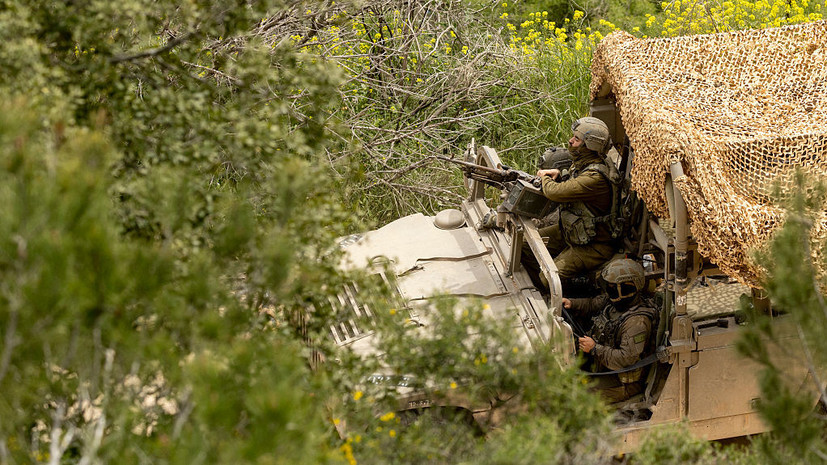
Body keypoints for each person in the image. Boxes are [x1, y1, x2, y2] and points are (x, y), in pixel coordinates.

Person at [524, 116, 618, 289]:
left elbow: (555, 192)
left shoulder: (595, 178)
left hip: (594, 245)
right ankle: (537, 286)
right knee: (524, 245)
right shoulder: (584, 164)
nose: (570, 141)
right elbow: (571, 184)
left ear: (590, 146)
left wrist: (544, 178)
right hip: (572, 232)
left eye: (577, 139)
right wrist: (559, 175)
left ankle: (567, 297)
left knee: (547, 278)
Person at [562, 258, 657, 403]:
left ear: (628, 288)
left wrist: (595, 349)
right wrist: (572, 303)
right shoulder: (615, 301)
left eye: (614, 286)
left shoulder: (636, 323)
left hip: (622, 381)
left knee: (572, 397)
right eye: (610, 286)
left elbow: (626, 359)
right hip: (603, 366)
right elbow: (592, 304)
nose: (610, 290)